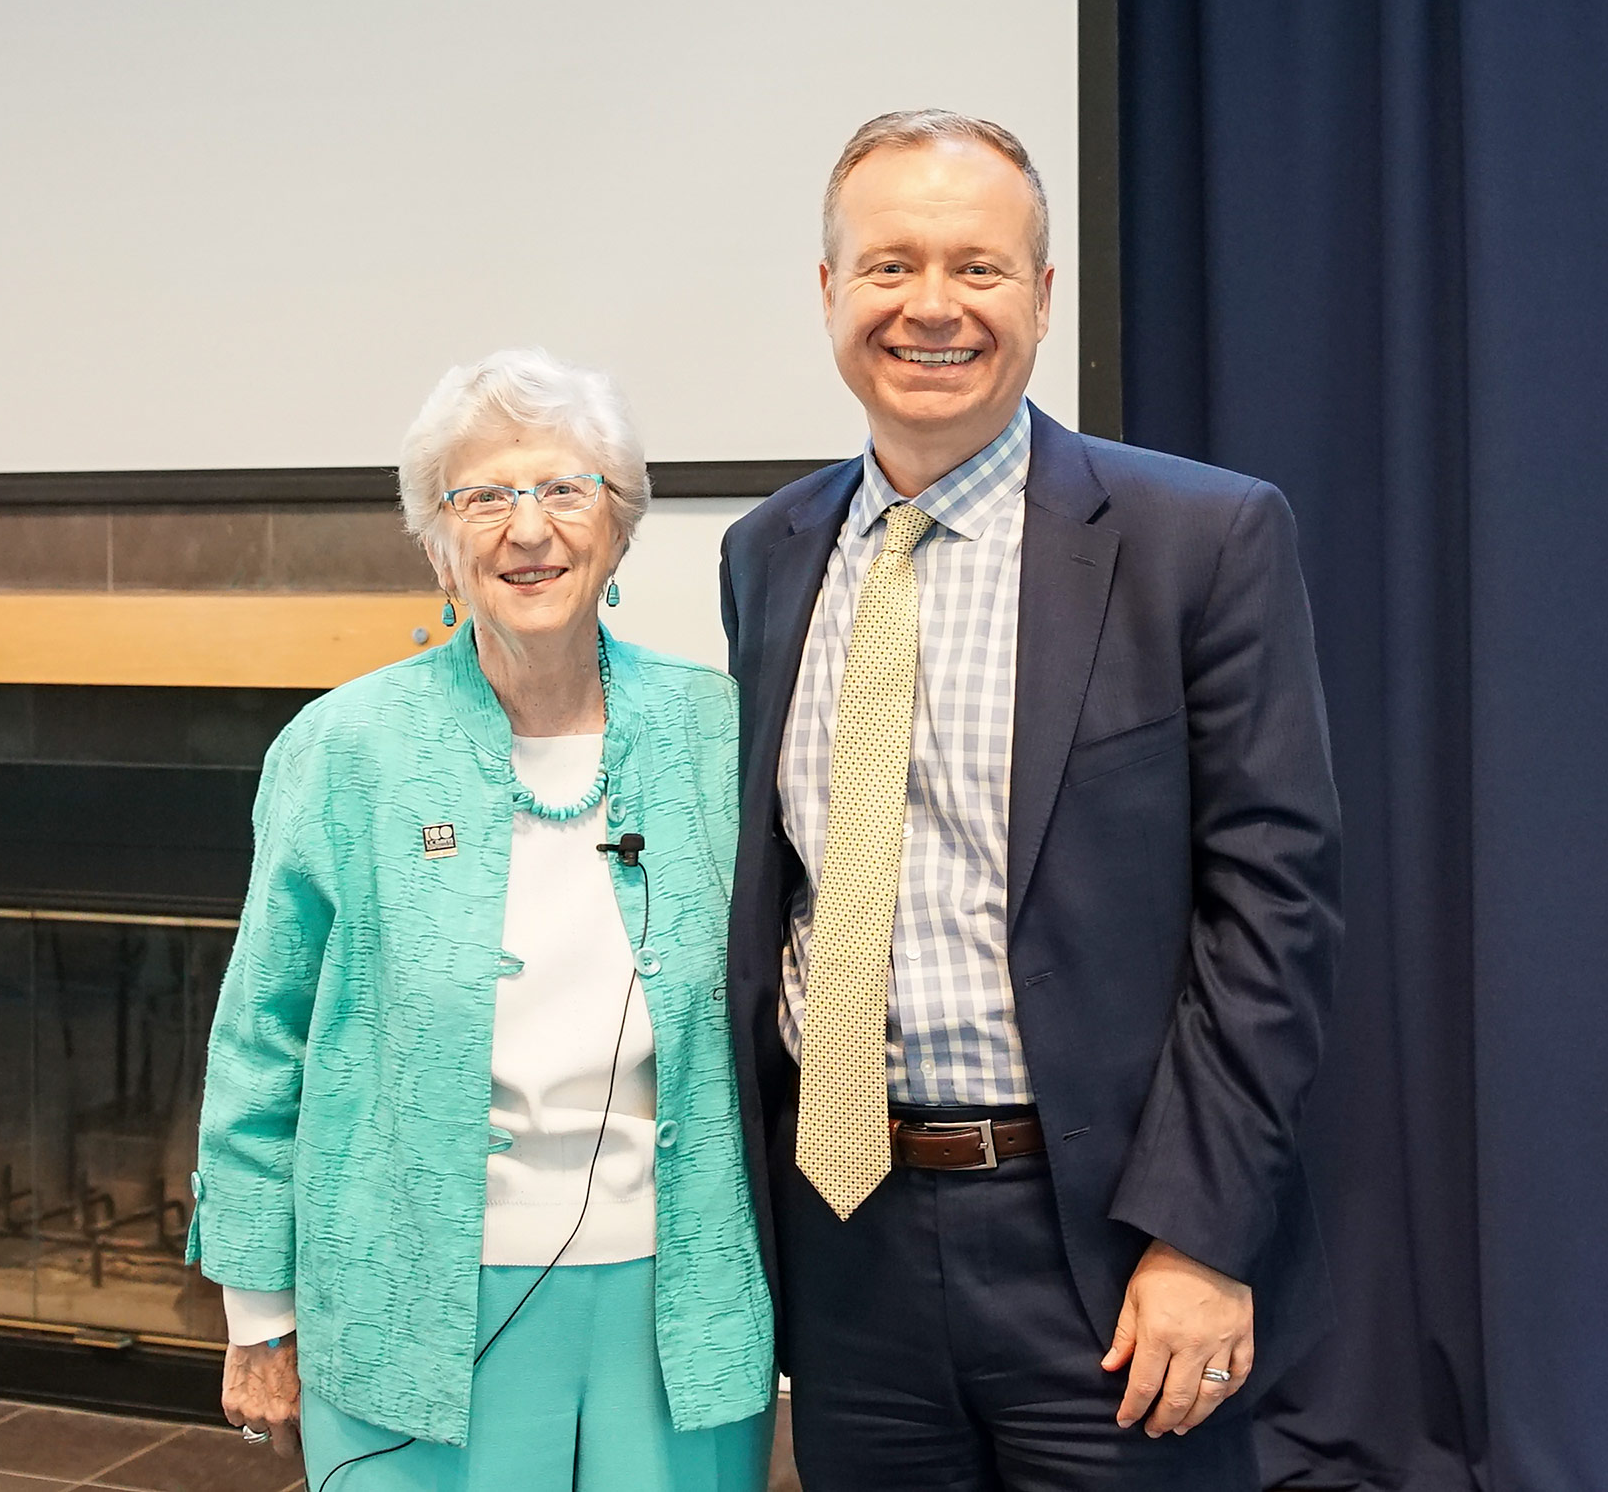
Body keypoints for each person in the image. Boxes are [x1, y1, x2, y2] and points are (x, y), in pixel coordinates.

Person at [719, 110, 1343, 1490]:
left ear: (1043, 296)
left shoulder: (1202, 539)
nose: (930, 306)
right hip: (846, 1237)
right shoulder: (766, 553)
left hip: (1109, 1251)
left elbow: (1273, 917)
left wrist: (1199, 1235)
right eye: (888, 266)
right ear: (828, 293)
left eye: (978, 268)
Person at [188, 347, 774, 1492]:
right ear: (435, 542)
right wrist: (258, 1309)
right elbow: (261, 1041)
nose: (529, 528)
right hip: (405, 1302)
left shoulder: (720, 732)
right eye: (485, 495)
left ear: (618, 526)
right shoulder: (344, 751)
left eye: (563, 489)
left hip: (682, 1300)